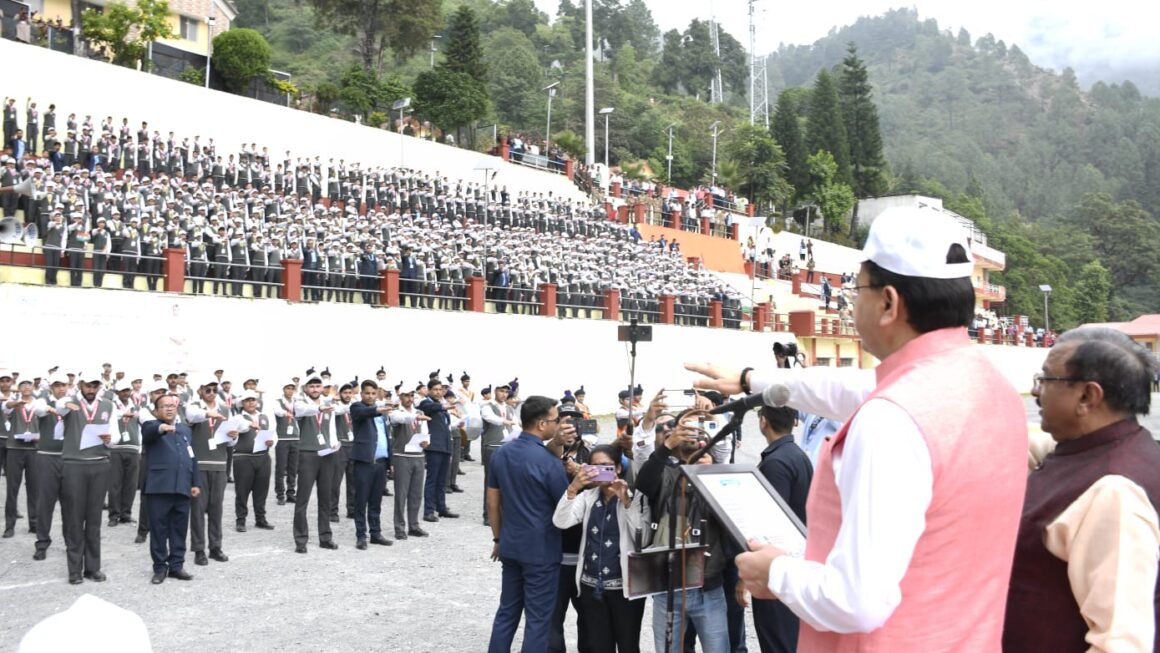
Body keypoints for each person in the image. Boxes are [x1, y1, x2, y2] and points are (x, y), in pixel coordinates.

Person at [691, 205, 1028, 650]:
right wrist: (754, 380)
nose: (852, 300)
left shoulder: (890, 420)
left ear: (888, 302)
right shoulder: (990, 388)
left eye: (858, 287)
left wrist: (775, 572)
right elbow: (848, 387)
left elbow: (857, 601)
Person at [1004, 327, 1160, 651]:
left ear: (1088, 397)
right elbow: (1021, 444)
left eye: (1046, 380)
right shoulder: (1106, 446)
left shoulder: (1114, 493)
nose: (1036, 391)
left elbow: (1120, 642)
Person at [635, 414, 731, 653]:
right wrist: (665, 447)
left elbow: (732, 520)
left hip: (708, 588)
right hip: (668, 586)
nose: (693, 433)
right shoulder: (665, 471)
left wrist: (712, 474)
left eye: (698, 429)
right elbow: (644, 484)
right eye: (685, 429)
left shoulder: (716, 473)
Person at [486, 396, 571, 653]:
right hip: (541, 551)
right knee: (538, 620)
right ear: (543, 424)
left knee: (507, 612)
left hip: (510, 545)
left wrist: (498, 539)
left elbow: (492, 503)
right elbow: (566, 509)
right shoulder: (548, 463)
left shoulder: (502, 453)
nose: (559, 425)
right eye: (556, 420)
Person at [552, 444, 650, 653]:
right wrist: (573, 488)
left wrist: (625, 501)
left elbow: (642, 537)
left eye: (606, 466)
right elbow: (561, 521)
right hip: (591, 585)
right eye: (594, 466)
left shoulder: (636, 497)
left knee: (628, 645)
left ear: (618, 468)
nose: (600, 471)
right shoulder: (588, 497)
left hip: (625, 589)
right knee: (598, 646)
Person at [742, 406, 812, 653]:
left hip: (777, 564)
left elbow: (771, 523)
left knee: (777, 640)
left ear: (763, 422)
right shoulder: (797, 454)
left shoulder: (776, 463)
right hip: (796, 560)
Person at [56, 375, 118, 585]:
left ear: (99, 386)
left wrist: (110, 439)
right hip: (74, 463)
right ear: (80, 385)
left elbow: (115, 433)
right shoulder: (70, 402)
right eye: (87, 385)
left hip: (100, 463)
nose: (91, 389)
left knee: (94, 518)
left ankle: (93, 567)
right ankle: (74, 570)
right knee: (74, 517)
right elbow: (59, 405)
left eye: (94, 385)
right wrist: (67, 401)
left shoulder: (108, 405)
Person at [140, 394, 200, 584]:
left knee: (179, 529)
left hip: (182, 486)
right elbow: (150, 431)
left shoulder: (185, 430)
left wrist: (195, 482)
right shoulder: (151, 426)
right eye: (164, 406)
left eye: (172, 406)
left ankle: (176, 565)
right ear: (157, 410)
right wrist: (161, 428)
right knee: (159, 530)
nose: (169, 409)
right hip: (159, 488)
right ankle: (159, 568)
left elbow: (192, 457)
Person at [185, 379, 230, 566]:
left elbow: (230, 439)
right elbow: (192, 416)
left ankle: (215, 547)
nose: (212, 392)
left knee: (216, 508)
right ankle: (199, 549)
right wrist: (208, 413)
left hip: (219, 463)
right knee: (197, 509)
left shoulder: (225, 409)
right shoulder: (193, 406)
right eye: (207, 389)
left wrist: (233, 436)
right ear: (200, 391)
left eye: (214, 389)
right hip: (200, 464)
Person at [292, 374, 340, 553]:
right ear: (306, 388)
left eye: (318, 386)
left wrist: (334, 444)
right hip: (308, 454)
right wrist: (320, 407)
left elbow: (332, 428)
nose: (315, 389)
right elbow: (303, 411)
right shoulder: (300, 403)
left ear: (322, 388)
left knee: (325, 498)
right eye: (311, 386)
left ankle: (325, 537)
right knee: (302, 498)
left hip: (327, 454)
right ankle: (301, 540)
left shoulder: (328, 406)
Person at [348, 379, 395, 549]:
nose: (370, 396)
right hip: (364, 463)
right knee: (361, 500)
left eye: (373, 393)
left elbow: (387, 438)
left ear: (377, 394)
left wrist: (391, 462)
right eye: (367, 393)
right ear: (361, 394)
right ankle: (361, 535)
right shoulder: (357, 408)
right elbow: (363, 413)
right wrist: (377, 409)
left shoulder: (382, 415)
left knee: (376, 501)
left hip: (381, 464)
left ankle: (375, 533)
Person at [32, 375, 68, 561]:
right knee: (45, 503)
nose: (61, 388)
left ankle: (71, 542)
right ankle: (42, 543)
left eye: (64, 385)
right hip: (47, 457)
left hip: (69, 459)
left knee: (70, 504)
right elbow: (36, 409)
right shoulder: (44, 399)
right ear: (51, 387)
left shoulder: (73, 402)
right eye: (57, 385)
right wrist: (52, 409)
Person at [388, 388, 430, 539]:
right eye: (406, 395)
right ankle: (399, 527)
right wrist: (417, 417)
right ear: (400, 397)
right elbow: (401, 419)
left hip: (418, 455)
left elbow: (424, 432)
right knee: (401, 494)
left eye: (412, 395)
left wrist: (426, 442)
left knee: (416, 494)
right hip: (402, 456)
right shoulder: (395, 412)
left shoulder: (419, 413)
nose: (409, 398)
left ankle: (414, 525)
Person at [231, 390, 274, 532]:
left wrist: (272, 441)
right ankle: (241, 520)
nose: (251, 402)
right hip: (244, 457)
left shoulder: (264, 417)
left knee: (261, 490)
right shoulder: (238, 417)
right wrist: (250, 424)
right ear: (242, 403)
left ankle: (260, 519)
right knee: (242, 491)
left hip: (262, 457)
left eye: (253, 400)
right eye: (247, 400)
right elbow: (241, 427)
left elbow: (274, 433)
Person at [419, 379, 459, 522]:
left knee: (442, 480)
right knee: (432, 479)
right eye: (435, 389)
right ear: (429, 390)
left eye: (440, 389)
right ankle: (428, 511)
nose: (438, 392)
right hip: (434, 447)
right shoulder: (426, 403)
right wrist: (445, 407)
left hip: (445, 446)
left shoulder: (441, 406)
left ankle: (441, 508)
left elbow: (446, 426)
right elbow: (432, 408)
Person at [4, 377, 38, 538]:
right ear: (19, 387)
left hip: (34, 449)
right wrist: (14, 403)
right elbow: (6, 407)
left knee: (34, 489)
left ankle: (34, 523)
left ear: (33, 386)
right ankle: (9, 526)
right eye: (23, 385)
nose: (26, 387)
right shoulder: (14, 402)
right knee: (12, 488)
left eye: (28, 384)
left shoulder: (40, 404)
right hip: (15, 448)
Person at [106, 382, 140, 527]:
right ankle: (114, 515)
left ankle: (126, 513)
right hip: (116, 448)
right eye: (122, 391)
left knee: (130, 484)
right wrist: (124, 413)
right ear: (117, 392)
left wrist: (140, 446)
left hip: (133, 448)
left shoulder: (136, 406)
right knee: (115, 483)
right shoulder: (112, 406)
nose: (125, 393)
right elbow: (112, 415)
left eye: (127, 390)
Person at [480, 383, 515, 525]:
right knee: (490, 482)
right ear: (495, 391)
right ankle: (488, 514)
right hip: (492, 447)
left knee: (506, 481)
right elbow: (490, 418)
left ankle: (503, 512)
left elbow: (516, 424)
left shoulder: (510, 408)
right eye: (502, 391)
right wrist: (505, 421)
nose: (504, 394)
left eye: (506, 392)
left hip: (507, 447)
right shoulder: (487, 406)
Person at [273, 381, 299, 505]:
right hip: (282, 438)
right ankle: (280, 494)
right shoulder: (278, 402)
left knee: (293, 468)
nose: (290, 390)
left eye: (292, 388)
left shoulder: (297, 402)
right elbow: (277, 411)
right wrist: (285, 412)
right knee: (280, 468)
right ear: (283, 389)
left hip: (295, 438)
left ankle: (291, 492)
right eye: (287, 388)